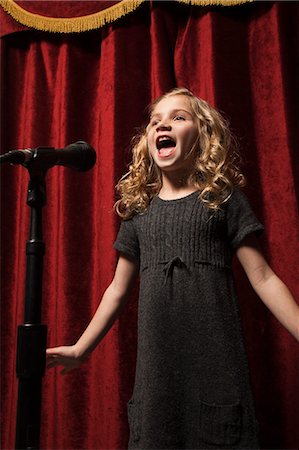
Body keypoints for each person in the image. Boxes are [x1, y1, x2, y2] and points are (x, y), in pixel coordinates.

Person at [47, 87, 299, 449]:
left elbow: (263, 277)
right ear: (148, 141)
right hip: (157, 378)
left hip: (217, 369)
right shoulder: (138, 211)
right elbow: (116, 290)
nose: (162, 125)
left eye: (178, 117)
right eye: (155, 122)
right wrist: (81, 349)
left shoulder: (222, 200)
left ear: (203, 135)